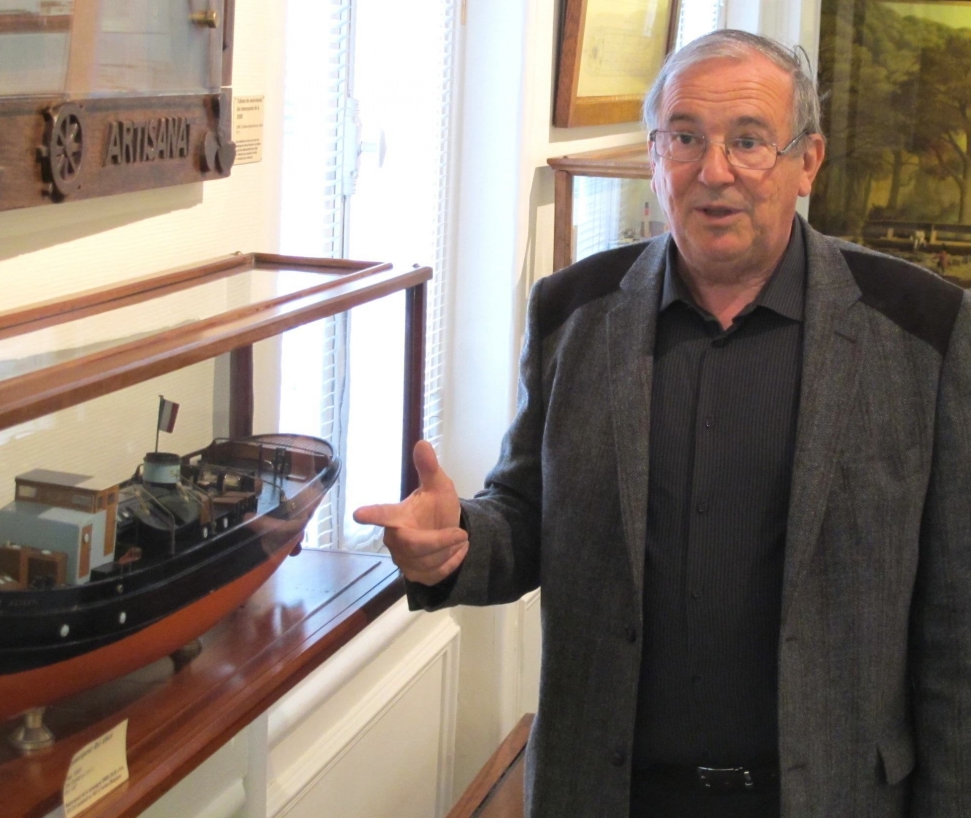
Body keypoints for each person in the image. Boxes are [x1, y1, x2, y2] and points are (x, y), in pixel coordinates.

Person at [355, 29, 971, 818]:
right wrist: (459, 543)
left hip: (831, 794)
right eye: (685, 137)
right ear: (656, 156)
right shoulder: (572, 314)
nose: (714, 172)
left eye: (749, 141)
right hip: (609, 790)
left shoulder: (920, 332)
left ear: (807, 160)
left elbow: (956, 625)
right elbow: (528, 515)